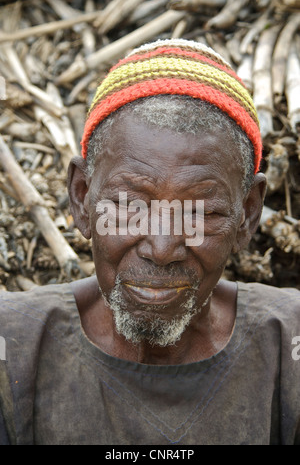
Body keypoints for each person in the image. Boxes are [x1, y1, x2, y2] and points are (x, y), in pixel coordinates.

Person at [0, 39, 299, 446]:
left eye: (200, 214)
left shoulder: (289, 345)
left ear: (246, 215)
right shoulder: (12, 343)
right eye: (128, 206)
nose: (161, 247)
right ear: (82, 197)